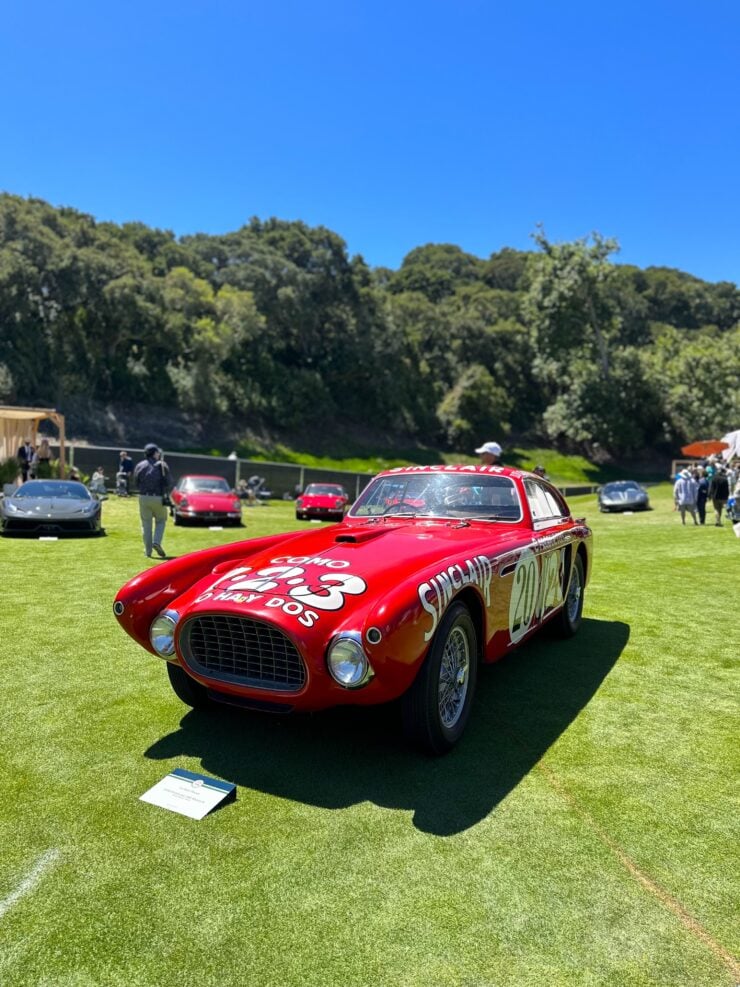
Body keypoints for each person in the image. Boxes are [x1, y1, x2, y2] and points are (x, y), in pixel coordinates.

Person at [133, 443, 172, 558]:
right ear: (154, 453)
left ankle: (148, 552)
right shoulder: (162, 465)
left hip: (144, 497)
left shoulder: (140, 465)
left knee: (146, 525)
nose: (159, 454)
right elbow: (169, 482)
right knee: (161, 521)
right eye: (157, 452)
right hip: (158, 498)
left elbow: (136, 482)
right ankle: (157, 542)